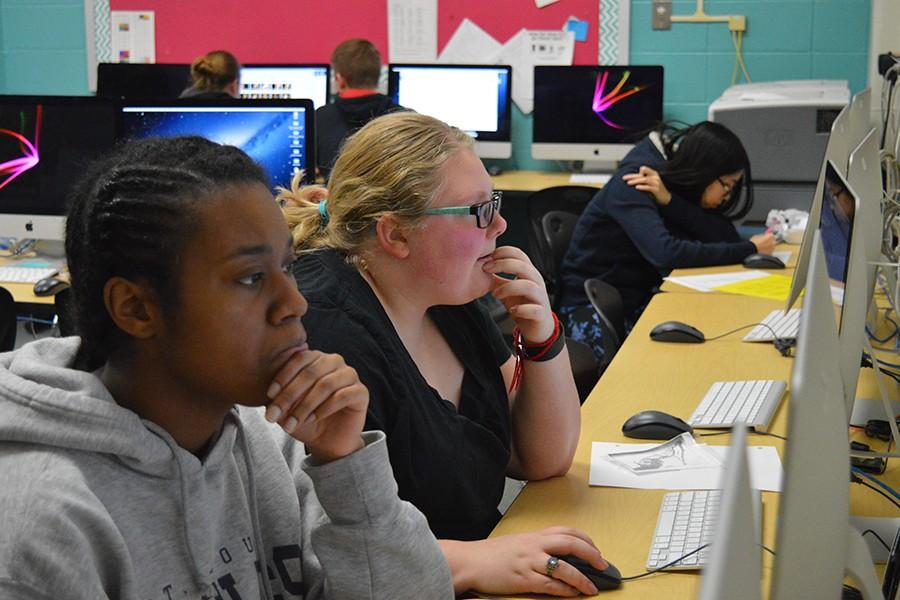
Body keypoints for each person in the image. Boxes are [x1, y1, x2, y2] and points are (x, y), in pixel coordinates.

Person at [0, 136, 453, 599]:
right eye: (252, 278)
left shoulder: (275, 443)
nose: (294, 303)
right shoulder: (41, 522)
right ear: (136, 308)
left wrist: (346, 464)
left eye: (287, 267)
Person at [281, 111, 608, 597]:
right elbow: (327, 549)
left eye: (493, 202)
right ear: (395, 235)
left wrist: (543, 338)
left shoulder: (447, 292)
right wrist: (472, 560)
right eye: (478, 210)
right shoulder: (327, 334)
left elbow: (541, 459)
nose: (499, 224)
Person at [559, 121, 777, 363]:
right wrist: (750, 248)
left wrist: (671, 202)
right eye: (726, 186)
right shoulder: (634, 180)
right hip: (590, 309)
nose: (726, 196)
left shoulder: (668, 182)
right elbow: (666, 252)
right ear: (705, 171)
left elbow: (724, 236)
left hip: (633, 300)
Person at [315, 39, 403, 179]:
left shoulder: (319, 119)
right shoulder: (404, 119)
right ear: (378, 76)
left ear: (340, 79)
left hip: (337, 199)